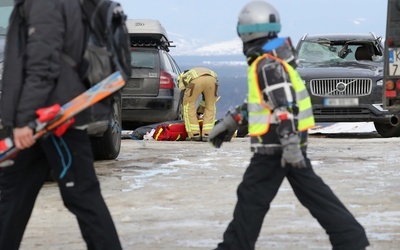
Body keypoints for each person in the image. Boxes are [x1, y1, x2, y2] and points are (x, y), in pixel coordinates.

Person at [208, 1, 370, 249]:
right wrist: (232, 121)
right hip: (285, 143)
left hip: (276, 145)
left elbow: (284, 107)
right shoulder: (274, 59)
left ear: (249, 31)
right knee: (313, 194)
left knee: (251, 197)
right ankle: (351, 238)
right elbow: (264, 103)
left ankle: (233, 246)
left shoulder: (267, 64)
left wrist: (290, 144)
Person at [0, 0, 122, 249]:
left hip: (53, 121)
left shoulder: (44, 3)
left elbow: (43, 63)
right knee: (12, 197)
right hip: (44, 119)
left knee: (82, 195)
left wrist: (24, 120)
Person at [178, 67, 218, 141]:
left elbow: (183, 98)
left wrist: (182, 110)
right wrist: (200, 110)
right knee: (210, 105)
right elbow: (205, 99)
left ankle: (194, 134)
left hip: (195, 81)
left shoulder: (181, 77)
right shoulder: (195, 71)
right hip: (212, 79)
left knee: (189, 106)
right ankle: (207, 134)